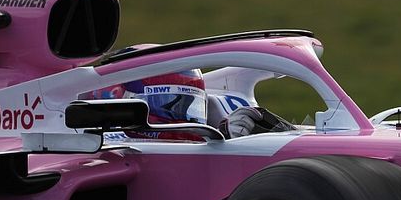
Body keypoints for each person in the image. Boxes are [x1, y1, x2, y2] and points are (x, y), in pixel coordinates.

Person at [84, 69, 294, 139]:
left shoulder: (209, 137)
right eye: (170, 105)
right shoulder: (105, 145)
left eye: (189, 106)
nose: (181, 116)